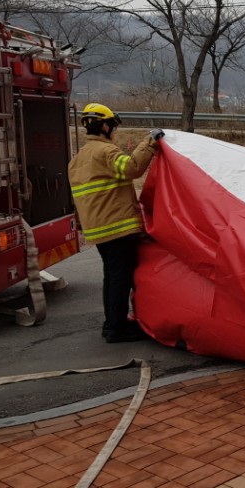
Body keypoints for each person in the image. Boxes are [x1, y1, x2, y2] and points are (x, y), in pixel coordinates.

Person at [68, 103, 163, 343]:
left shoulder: (79, 158)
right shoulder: (105, 152)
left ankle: (113, 323)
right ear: (105, 126)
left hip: (99, 230)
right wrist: (150, 142)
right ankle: (116, 328)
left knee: (112, 277)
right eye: (113, 126)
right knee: (120, 278)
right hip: (117, 228)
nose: (115, 131)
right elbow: (132, 168)